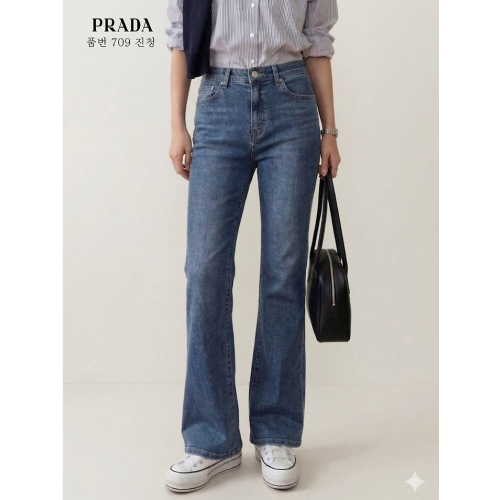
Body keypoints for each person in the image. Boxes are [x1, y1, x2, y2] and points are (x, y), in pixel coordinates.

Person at [165, 0, 340, 492]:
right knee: (204, 271)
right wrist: (177, 124)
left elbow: (318, 43)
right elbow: (180, 38)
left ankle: (276, 431)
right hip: (218, 99)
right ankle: (211, 441)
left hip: (292, 102)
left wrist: (329, 129)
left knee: (283, 273)